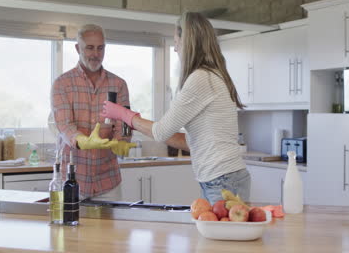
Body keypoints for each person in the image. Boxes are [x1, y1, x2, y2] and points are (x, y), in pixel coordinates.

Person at [101, 12, 251, 205]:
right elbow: (189, 141)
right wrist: (134, 122)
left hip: (221, 180)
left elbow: (161, 132)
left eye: (176, 41)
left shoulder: (200, 78)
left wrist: (123, 114)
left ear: (187, 42)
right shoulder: (212, 75)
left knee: (219, 236)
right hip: (223, 178)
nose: (175, 49)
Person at [51, 24, 135, 201]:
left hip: (108, 182)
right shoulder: (62, 84)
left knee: (112, 230)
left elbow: (125, 123)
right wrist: (82, 140)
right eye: (89, 48)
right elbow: (65, 125)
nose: (95, 54)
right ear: (77, 48)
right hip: (71, 181)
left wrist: (123, 140)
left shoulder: (119, 85)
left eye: (100, 48)